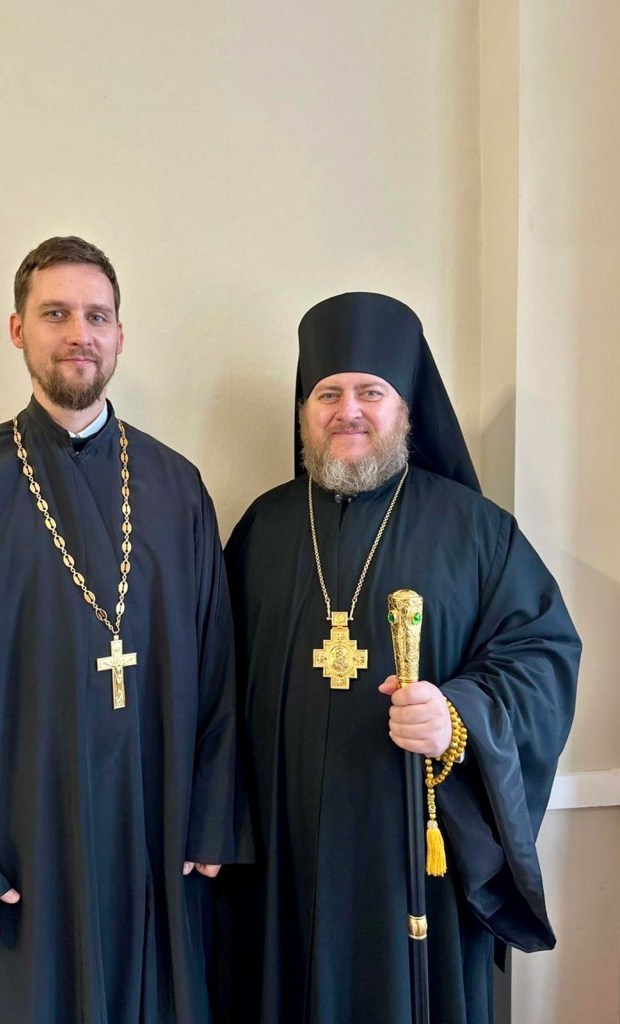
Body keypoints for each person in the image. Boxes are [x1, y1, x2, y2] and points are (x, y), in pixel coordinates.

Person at [0, 236, 244, 1024]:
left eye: (96, 316)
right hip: (19, 856)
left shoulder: (176, 488)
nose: (79, 334)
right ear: (17, 329)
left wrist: (212, 817)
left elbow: (217, 669)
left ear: (119, 335)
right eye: (56, 314)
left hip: (154, 840)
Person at [220, 292, 580, 1024]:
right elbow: (212, 686)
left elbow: (543, 657)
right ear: (304, 411)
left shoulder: (476, 530)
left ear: (407, 409)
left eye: (370, 392)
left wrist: (457, 715)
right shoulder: (263, 528)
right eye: (328, 393)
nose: (347, 411)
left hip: (413, 857)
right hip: (284, 857)